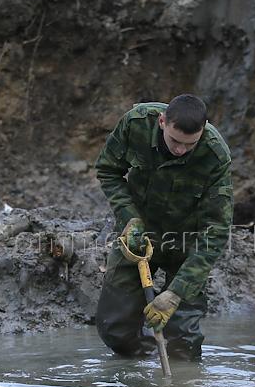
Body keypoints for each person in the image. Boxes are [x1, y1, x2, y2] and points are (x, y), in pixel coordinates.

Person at [93, 94, 234, 361]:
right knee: (115, 330)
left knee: (183, 340)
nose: (180, 150)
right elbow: (108, 170)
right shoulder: (136, 124)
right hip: (138, 234)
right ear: (161, 122)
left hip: (187, 242)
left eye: (189, 144)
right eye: (175, 141)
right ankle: (139, 378)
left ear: (203, 131)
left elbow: (216, 229)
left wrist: (176, 292)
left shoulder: (216, 155)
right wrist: (129, 218)